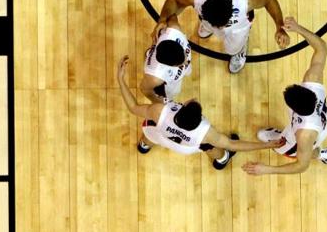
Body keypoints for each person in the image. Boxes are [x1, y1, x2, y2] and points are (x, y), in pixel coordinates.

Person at [118, 56, 282, 169]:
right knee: (210, 147)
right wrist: (266, 145)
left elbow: (133, 107)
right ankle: (222, 159)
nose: (193, 98)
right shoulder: (205, 133)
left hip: (160, 135)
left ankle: (144, 146)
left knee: (150, 130)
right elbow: (233, 144)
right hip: (185, 148)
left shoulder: (159, 111)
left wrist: (121, 79)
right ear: (199, 120)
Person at [243, 17, 327, 175]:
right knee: (299, 143)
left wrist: (266, 169)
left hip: (311, 136)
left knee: (289, 150)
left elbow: (301, 165)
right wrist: (298, 28)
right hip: (319, 123)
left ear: (295, 110)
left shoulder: (304, 134)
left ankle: (321, 154)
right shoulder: (312, 82)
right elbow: (322, 48)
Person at [151, 0, 290, 73]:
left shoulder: (245, 0)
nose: (220, 27)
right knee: (206, 25)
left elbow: (269, 0)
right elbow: (174, 0)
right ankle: (207, 26)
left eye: (220, 24)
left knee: (232, 49)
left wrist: (279, 26)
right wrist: (163, 19)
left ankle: (239, 51)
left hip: (237, 29)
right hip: (207, 20)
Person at [140, 14, 192, 103]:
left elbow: (172, 15)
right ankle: (150, 53)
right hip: (167, 86)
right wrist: (160, 103)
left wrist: (162, 21)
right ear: (170, 65)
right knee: (173, 93)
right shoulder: (155, 77)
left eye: (185, 55)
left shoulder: (174, 29)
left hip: (159, 55)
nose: (186, 61)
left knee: (187, 69)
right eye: (181, 63)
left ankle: (150, 53)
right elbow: (145, 89)